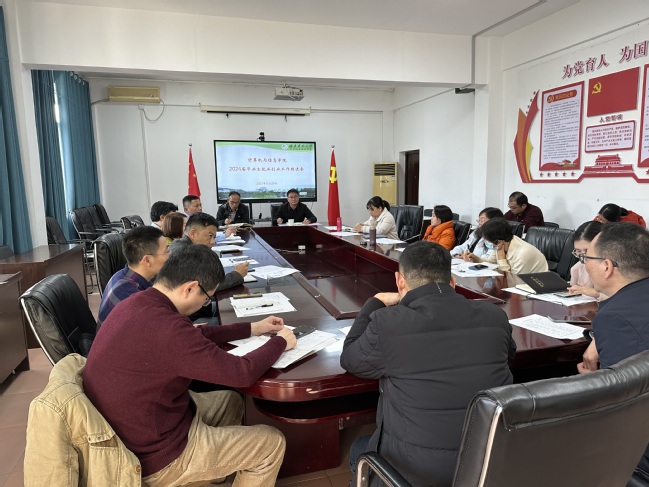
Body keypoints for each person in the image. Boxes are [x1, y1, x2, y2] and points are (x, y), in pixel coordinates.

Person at [84, 244, 296, 486]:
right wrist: (280, 342)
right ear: (190, 288)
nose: (204, 304)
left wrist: (253, 328)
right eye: (206, 298)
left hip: (138, 427)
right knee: (270, 444)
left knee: (230, 401)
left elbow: (196, 336)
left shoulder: (139, 302)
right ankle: (192, 470)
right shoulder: (168, 329)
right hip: (155, 456)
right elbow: (242, 373)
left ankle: (212, 475)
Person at [340, 241, 515, 486]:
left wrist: (376, 301)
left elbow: (350, 358)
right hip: (486, 466)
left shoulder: (388, 323)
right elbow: (508, 353)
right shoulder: (495, 316)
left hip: (414, 475)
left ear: (400, 282)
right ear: (452, 281)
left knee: (358, 447)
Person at [575, 222, 649, 477]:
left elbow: (623, 401)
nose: (584, 264)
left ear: (606, 267)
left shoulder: (616, 317)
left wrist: (596, 382)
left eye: (586, 258)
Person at [97, 226, 169, 329]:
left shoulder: (124, 275)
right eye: (167, 251)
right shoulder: (131, 297)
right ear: (147, 260)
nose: (170, 255)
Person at [171, 212, 247, 291]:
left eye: (214, 237)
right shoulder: (185, 252)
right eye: (210, 236)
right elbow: (207, 286)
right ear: (193, 234)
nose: (213, 242)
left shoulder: (183, 245)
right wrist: (237, 274)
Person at [475, 217, 548, 274]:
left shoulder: (522, 254)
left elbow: (512, 280)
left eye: (487, 241)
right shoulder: (501, 243)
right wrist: (476, 259)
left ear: (499, 242)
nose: (486, 243)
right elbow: (491, 261)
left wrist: (501, 258)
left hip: (534, 285)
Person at [567, 220, 608, 301]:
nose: (583, 257)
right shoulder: (577, 268)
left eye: (587, 251)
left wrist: (596, 294)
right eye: (578, 251)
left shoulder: (616, 269)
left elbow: (625, 298)